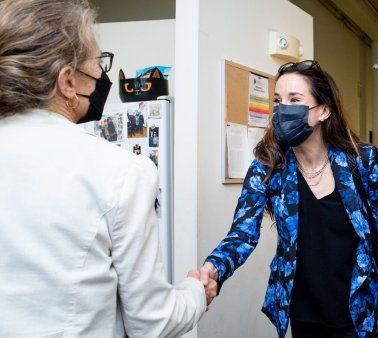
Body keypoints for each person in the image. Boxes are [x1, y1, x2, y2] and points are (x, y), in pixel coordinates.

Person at [0, 0, 216, 336]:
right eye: (98, 64)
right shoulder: (121, 171)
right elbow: (152, 322)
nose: (102, 76)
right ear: (67, 81)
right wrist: (196, 293)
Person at [200, 60, 378, 338]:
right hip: (302, 311)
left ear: (323, 111)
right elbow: (242, 234)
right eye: (277, 100)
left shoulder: (361, 160)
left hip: (358, 310)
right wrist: (214, 268)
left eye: (294, 99)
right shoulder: (268, 167)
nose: (282, 109)